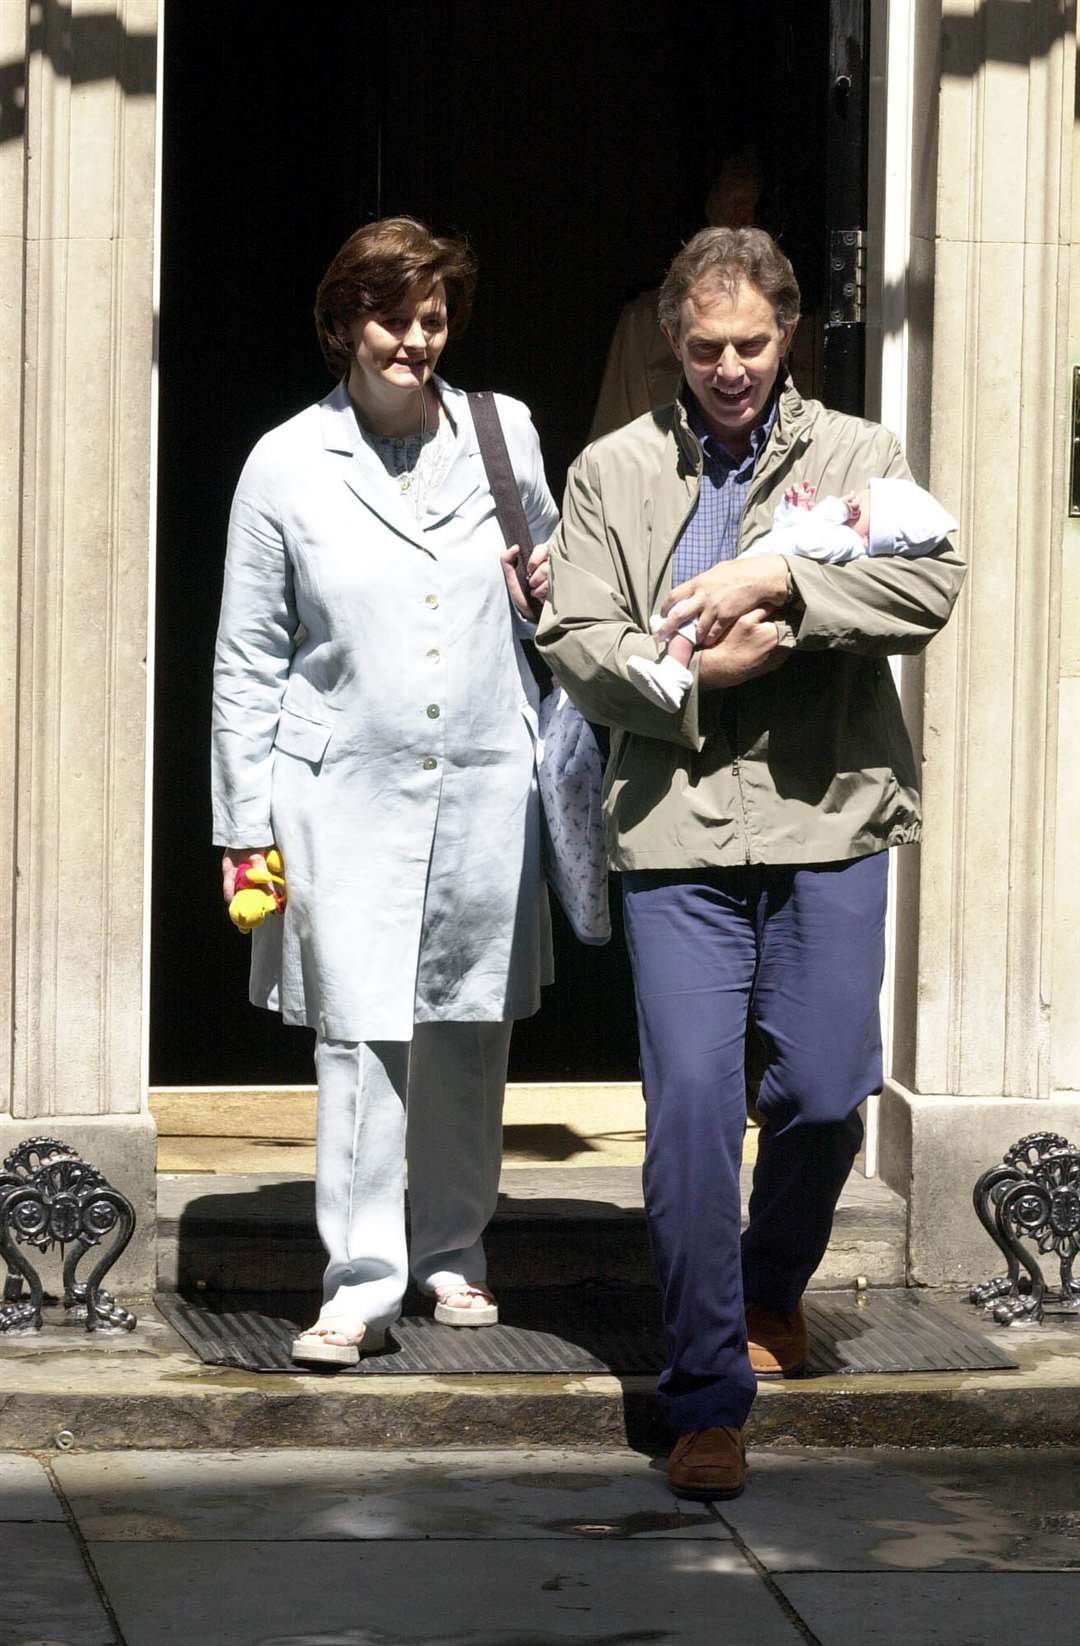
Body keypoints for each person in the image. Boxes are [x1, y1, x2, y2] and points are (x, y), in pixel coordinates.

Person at [537, 227, 965, 1500]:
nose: (730, 368)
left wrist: (783, 574)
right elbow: (574, 629)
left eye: (753, 344)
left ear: (791, 340)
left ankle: (773, 1283)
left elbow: (930, 582)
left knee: (829, 1089)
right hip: (674, 830)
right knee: (685, 1114)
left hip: (827, 817)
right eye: (707, 345)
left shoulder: (856, 456)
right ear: (673, 341)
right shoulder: (613, 469)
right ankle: (705, 1395)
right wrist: (684, 675)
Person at [211, 217, 557, 1366]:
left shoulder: (505, 435)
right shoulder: (282, 463)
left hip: (483, 773)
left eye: (435, 317)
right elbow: (248, 657)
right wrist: (241, 826)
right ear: (342, 324)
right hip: (338, 785)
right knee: (361, 1033)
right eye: (393, 318)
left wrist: (539, 594)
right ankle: (360, 1279)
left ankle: (455, 1247)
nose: (417, 340)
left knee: (468, 1019)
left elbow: (554, 613)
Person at [627, 477, 958, 710]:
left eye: (864, 503)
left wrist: (833, 510)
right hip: (735, 577)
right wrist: (794, 509)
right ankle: (672, 649)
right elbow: (788, 534)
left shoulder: (850, 544)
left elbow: (808, 542)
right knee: (689, 614)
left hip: (741, 598)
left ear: (876, 532)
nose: (855, 498)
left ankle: (673, 673)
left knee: (692, 619)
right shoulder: (839, 535)